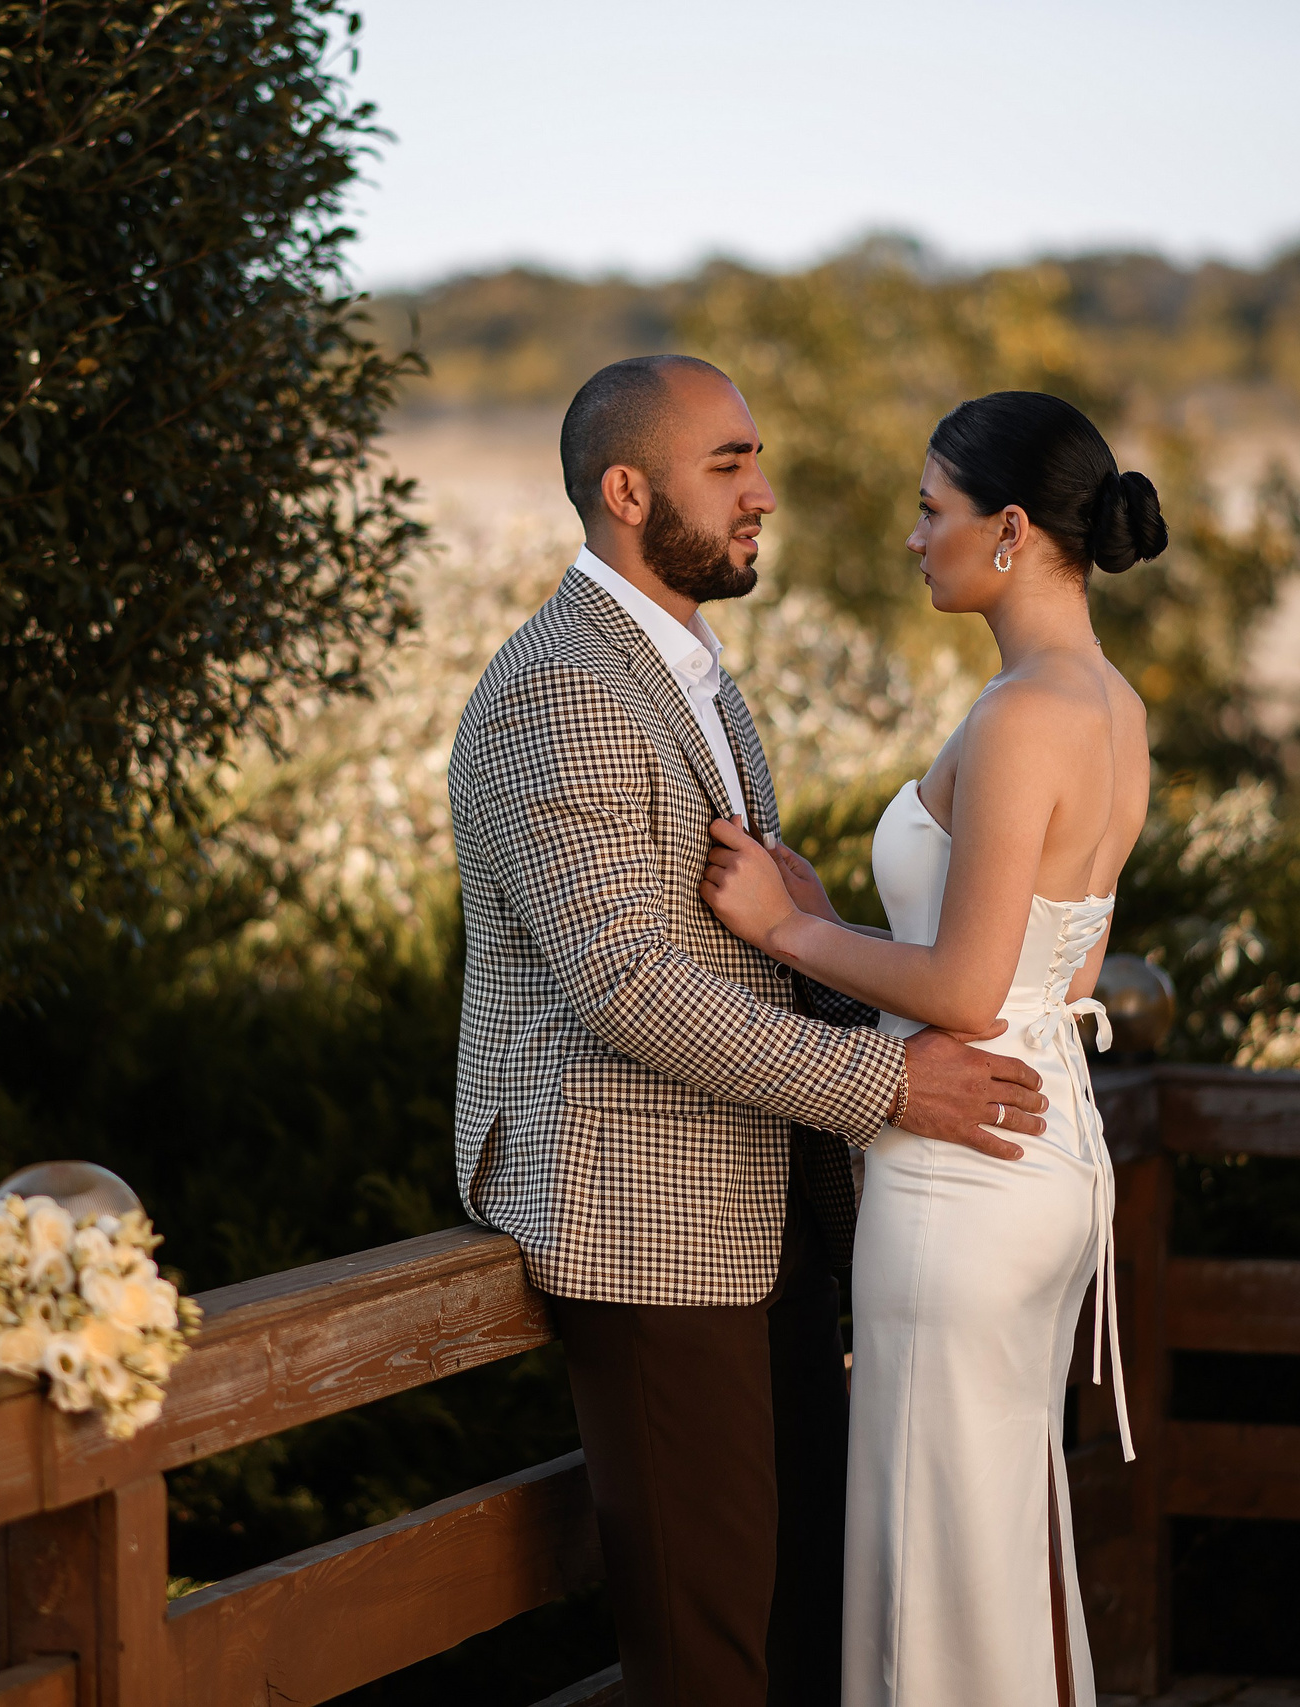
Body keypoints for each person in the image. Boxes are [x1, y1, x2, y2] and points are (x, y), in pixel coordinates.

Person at [447, 355, 1054, 1707]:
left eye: (754, 460)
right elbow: (624, 983)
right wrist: (887, 1081)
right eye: (728, 465)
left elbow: (743, 937)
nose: (763, 492)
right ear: (625, 490)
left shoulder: (693, 674)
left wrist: (839, 974)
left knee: (802, 1625)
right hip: (644, 1217)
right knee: (709, 1650)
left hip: (766, 1203)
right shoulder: (563, 690)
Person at [700, 391, 1166, 1707]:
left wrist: (788, 930)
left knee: (933, 1538)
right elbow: (1059, 971)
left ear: (1010, 530)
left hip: (964, 1173)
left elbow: (965, 991)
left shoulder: (1025, 714)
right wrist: (856, 925)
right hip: (1050, 1151)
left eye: (930, 510)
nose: (914, 539)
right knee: (994, 1528)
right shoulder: (1113, 708)